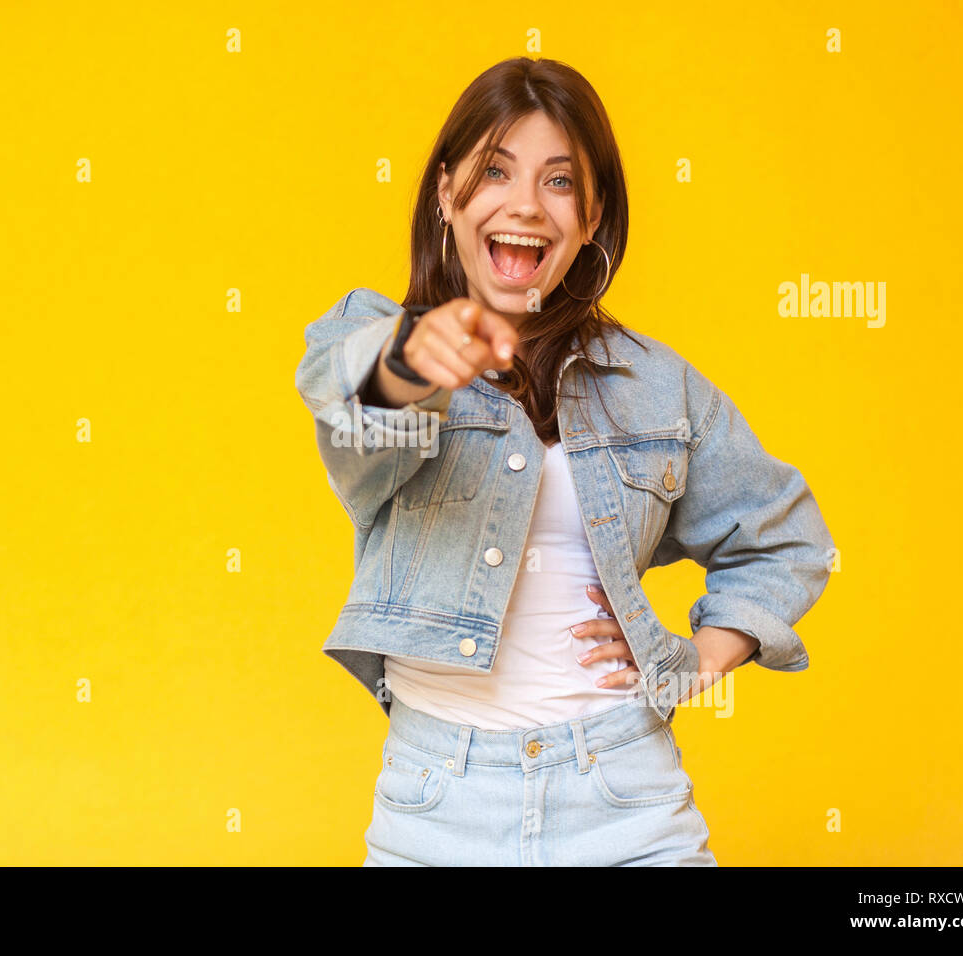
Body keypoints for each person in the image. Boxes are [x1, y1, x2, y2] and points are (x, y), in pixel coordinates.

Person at [294, 57, 834, 866]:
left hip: (625, 795)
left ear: (592, 217)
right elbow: (355, 425)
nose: (524, 205)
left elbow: (787, 540)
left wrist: (698, 657)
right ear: (447, 193)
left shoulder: (653, 383)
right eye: (496, 171)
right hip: (438, 802)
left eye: (559, 182)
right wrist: (413, 362)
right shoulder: (377, 338)